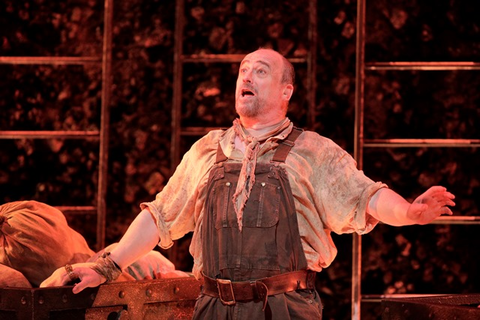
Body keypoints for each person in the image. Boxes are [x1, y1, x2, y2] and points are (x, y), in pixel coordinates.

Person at [41, 48, 455, 319]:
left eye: (261, 71)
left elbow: (366, 197)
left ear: (286, 89)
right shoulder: (206, 150)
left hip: (285, 308)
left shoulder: (314, 152)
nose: (247, 77)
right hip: (211, 308)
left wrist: (410, 212)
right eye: (243, 70)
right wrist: (107, 267)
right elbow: (161, 217)